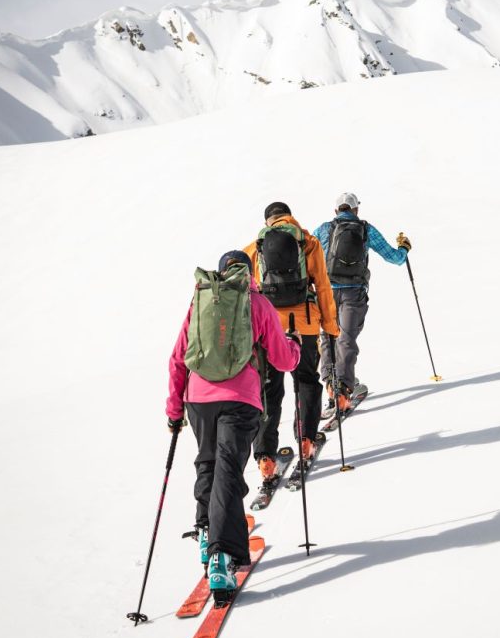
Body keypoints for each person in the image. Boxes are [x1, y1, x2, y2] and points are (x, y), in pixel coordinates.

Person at [166, 250, 300, 600]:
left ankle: (206, 531)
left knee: (208, 461)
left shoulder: (202, 302)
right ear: (250, 272)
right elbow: (282, 360)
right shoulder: (257, 303)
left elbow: (178, 358)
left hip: (198, 398)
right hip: (240, 400)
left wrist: (174, 410)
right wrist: (295, 346)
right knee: (228, 470)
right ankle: (222, 556)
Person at [244, 202, 339, 482]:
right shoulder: (309, 243)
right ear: (290, 217)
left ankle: (265, 457)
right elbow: (323, 286)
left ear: (268, 221)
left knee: (268, 390)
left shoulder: (255, 247)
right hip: (305, 324)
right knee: (306, 381)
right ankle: (306, 440)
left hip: (267, 328)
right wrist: (330, 327)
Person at [313, 192, 411, 411]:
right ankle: (343, 390)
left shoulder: (323, 229)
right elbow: (394, 258)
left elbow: (306, 256)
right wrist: (404, 248)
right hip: (354, 292)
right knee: (346, 339)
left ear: (336, 210)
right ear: (356, 210)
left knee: (327, 338)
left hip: (326, 293)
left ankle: (331, 386)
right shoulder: (366, 229)